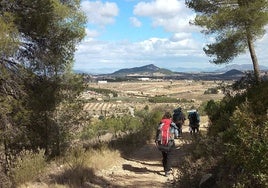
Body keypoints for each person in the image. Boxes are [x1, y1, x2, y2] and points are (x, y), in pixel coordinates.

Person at [155, 112, 175, 176]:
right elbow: (176, 131)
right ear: (170, 117)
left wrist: (156, 140)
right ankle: (167, 170)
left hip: (161, 142)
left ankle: (165, 169)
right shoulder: (171, 123)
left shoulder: (161, 122)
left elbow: (158, 132)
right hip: (170, 141)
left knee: (164, 156)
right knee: (169, 156)